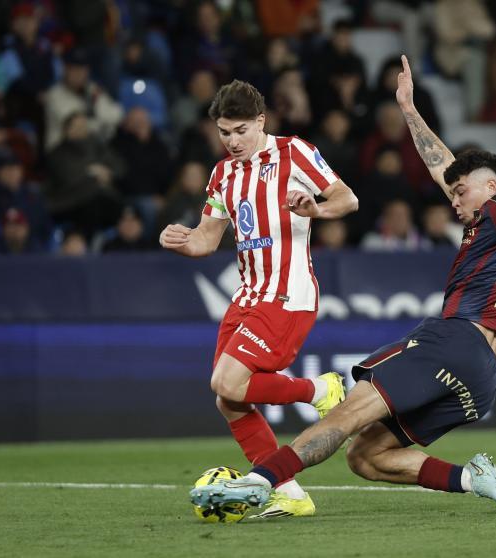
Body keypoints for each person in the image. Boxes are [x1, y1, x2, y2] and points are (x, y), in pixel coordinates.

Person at [191, 56, 496, 515]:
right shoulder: (485, 219)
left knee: (347, 414)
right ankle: (473, 479)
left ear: (490, 184)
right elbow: (442, 166)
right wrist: (410, 110)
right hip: (483, 379)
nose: (453, 199)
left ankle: (260, 481)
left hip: (455, 339)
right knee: (366, 456)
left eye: (460, 192)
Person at [159, 80, 359, 518]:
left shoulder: (295, 152)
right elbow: (206, 241)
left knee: (226, 383)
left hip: (288, 295)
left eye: (241, 130)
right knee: (228, 400)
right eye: (224, 132)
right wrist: (179, 239)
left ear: (261, 122)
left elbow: (347, 198)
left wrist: (316, 209)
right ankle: (287, 491)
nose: (232, 141)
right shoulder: (221, 174)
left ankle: (317, 389)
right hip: (246, 296)